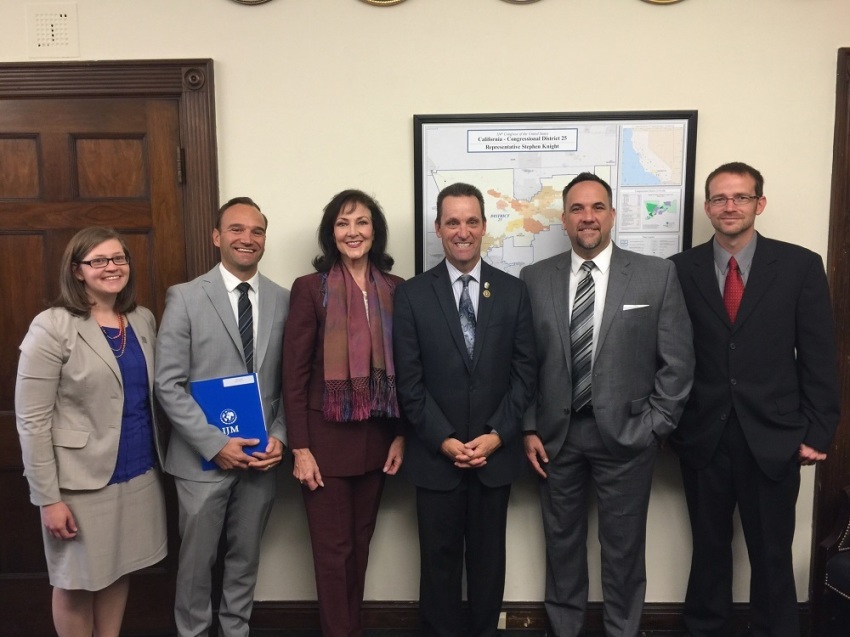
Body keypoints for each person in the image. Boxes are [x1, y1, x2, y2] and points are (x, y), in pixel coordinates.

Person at [669, 162, 840, 637]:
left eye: (741, 197)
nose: (730, 206)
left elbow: (819, 354)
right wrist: (668, 425)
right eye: (720, 198)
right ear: (707, 208)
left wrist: (818, 431)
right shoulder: (678, 270)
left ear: (759, 204)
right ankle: (705, 628)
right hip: (703, 435)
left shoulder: (800, 266)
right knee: (708, 550)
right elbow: (667, 354)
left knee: (771, 553)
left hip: (775, 436)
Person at [521, 172, 694, 637]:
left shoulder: (656, 274)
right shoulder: (534, 278)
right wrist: (529, 427)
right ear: (563, 219)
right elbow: (525, 363)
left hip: (628, 436)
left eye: (597, 207)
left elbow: (678, 362)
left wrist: (656, 425)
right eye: (577, 209)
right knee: (561, 545)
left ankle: (623, 630)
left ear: (613, 215)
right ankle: (565, 629)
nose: (588, 217)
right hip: (555, 439)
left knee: (623, 548)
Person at [393, 182, 536, 637]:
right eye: (452, 222)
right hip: (437, 457)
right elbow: (409, 382)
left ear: (484, 226)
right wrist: (445, 440)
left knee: (489, 565)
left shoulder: (513, 291)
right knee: (438, 566)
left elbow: (524, 374)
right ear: (438, 228)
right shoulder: (412, 295)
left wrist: (497, 435)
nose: (463, 231)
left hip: (495, 457)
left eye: (472, 221)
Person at [15, 227, 167, 637]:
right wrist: (48, 499)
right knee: (75, 582)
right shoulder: (52, 326)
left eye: (119, 258)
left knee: (118, 570)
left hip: (138, 472)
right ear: (77, 270)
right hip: (78, 485)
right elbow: (32, 420)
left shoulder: (142, 319)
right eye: (98, 260)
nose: (111, 267)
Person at [154, 197, 289, 637]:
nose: (247, 238)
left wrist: (281, 436)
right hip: (201, 461)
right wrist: (215, 444)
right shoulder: (186, 297)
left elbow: (292, 382)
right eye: (236, 229)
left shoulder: (284, 299)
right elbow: (167, 384)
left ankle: (236, 630)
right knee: (196, 564)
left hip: (261, 458)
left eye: (256, 231)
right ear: (216, 237)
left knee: (245, 560)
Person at [283, 189, 405, 637]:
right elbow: (293, 376)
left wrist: (401, 435)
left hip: (378, 441)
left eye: (362, 222)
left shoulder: (396, 289)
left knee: (360, 547)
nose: (353, 232)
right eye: (342, 223)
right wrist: (300, 448)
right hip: (324, 445)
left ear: (375, 232)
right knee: (333, 554)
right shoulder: (309, 289)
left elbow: (408, 370)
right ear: (330, 233)